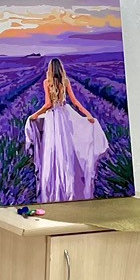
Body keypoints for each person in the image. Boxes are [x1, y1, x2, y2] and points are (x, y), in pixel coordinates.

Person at [24, 57, 109, 201]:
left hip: (53, 118)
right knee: (67, 149)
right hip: (65, 115)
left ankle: (56, 186)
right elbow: (75, 102)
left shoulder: (47, 82)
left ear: (50, 69)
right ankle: (70, 186)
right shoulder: (66, 81)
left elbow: (48, 105)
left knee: (54, 149)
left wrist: (35, 115)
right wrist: (88, 116)